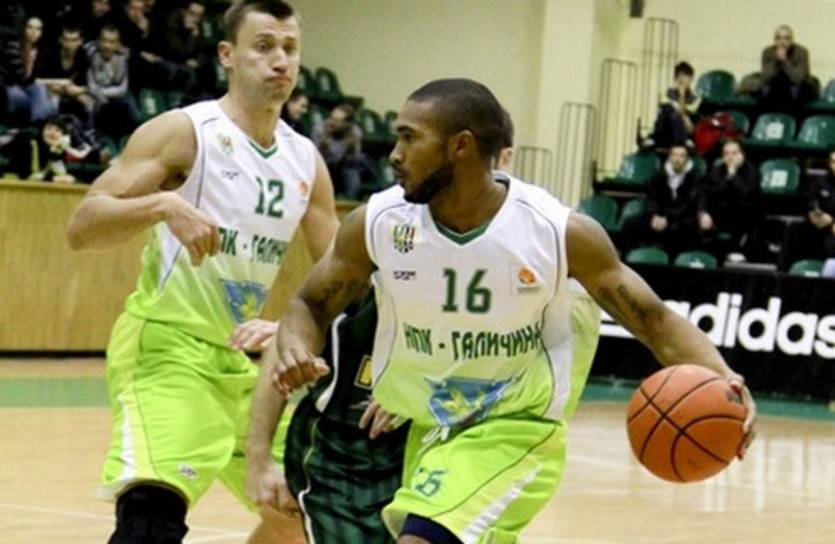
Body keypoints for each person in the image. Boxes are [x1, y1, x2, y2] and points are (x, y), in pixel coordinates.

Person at [262, 78, 756, 543]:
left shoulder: (556, 233)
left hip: (515, 429)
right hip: (428, 426)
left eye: (410, 138)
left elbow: (654, 321)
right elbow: (309, 302)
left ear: (460, 146)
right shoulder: (381, 222)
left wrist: (723, 378)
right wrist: (296, 348)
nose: (394, 153)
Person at [65, 1, 339, 542]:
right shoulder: (186, 132)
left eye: (290, 48)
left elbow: (340, 282)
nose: (280, 60)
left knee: (303, 512)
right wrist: (163, 205)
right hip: (168, 347)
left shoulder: (306, 160)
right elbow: (83, 226)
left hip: (242, 362)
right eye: (264, 46)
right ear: (227, 55)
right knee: (151, 517)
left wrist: (290, 326)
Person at [246, 113, 530, 544]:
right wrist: (259, 455)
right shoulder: (386, 233)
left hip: (437, 440)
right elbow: (301, 315)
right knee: (284, 524)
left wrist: (417, 389)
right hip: (347, 447)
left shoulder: (513, 253)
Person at [622, 144, 703, 256]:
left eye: (682, 156)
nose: (677, 159)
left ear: (687, 159)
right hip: (659, 215)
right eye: (674, 155)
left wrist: (667, 219)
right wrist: (655, 215)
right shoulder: (659, 175)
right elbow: (652, 199)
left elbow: (688, 205)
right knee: (630, 224)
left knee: (681, 229)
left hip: (681, 218)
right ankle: (628, 259)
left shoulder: (695, 177)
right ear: (669, 157)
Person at [699, 139, 763, 259]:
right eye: (726, 153)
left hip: (743, 216)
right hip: (718, 214)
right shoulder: (716, 170)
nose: (730, 157)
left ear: (742, 154)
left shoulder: (753, 172)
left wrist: (733, 176)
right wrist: (703, 213)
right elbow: (706, 193)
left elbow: (747, 194)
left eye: (734, 153)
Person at [779, 149, 835, 270]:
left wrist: (831, 221)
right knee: (793, 228)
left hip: (832, 226)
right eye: (833, 162)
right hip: (820, 225)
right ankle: (782, 274)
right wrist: (812, 214)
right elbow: (810, 201)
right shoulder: (822, 181)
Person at [86, 24, 141, 139]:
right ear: (98, 41)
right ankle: (92, 136)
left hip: (111, 95)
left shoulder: (121, 59)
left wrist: (103, 93)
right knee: (91, 104)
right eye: (104, 41)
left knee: (128, 101)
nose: (107, 46)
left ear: (117, 44)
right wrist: (101, 96)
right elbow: (91, 86)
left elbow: (123, 88)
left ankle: (137, 134)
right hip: (95, 97)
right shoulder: (91, 56)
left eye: (112, 42)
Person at [1, 16, 56, 125]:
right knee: (42, 95)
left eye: (38, 29)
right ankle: (39, 126)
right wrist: (55, 82)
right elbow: (23, 79)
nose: (34, 32)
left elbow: (36, 78)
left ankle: (38, 126)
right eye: (30, 27)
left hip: (28, 90)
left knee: (50, 101)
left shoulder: (40, 51)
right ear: (23, 29)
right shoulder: (12, 47)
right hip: (8, 90)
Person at [313, 103, 371, 199]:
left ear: (347, 124)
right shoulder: (320, 129)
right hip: (324, 167)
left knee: (353, 173)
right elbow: (316, 159)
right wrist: (325, 148)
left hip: (343, 167)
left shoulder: (355, 132)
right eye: (331, 118)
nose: (331, 122)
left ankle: (349, 202)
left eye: (336, 121)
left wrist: (351, 150)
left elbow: (354, 161)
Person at [40, 23, 94, 123]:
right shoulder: (51, 54)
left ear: (80, 41)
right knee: (53, 101)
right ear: (60, 40)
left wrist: (77, 92)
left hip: (73, 94)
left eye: (74, 40)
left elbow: (88, 85)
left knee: (89, 102)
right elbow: (40, 81)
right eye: (66, 40)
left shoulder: (84, 56)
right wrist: (65, 85)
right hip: (51, 94)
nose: (70, 44)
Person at [643, 61, 699, 150]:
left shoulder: (695, 98)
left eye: (685, 76)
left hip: (683, 130)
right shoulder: (666, 93)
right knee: (668, 109)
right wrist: (682, 113)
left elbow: (690, 123)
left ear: (691, 78)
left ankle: (655, 138)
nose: (681, 79)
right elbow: (666, 111)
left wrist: (682, 94)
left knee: (676, 114)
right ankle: (656, 138)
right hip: (666, 130)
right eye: (679, 75)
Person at [760, 25, 816, 111]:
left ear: (792, 40)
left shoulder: (801, 52)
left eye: (786, 38)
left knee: (797, 91)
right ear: (774, 40)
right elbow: (766, 78)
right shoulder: (768, 52)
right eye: (778, 38)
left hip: (797, 89)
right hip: (775, 88)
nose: (782, 42)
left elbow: (797, 79)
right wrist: (776, 62)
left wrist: (785, 61)